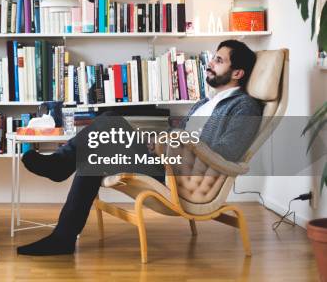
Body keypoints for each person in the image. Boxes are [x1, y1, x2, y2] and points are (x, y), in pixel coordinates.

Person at [17, 40, 263, 256]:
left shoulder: (244, 107)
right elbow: (181, 136)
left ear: (237, 72)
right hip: (167, 161)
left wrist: (172, 144)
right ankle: (63, 235)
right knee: (99, 147)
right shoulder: (205, 102)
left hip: (183, 176)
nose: (210, 63)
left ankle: (61, 170)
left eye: (219, 60)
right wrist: (157, 141)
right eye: (213, 58)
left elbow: (225, 152)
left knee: (108, 122)